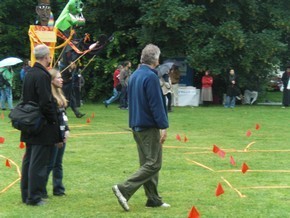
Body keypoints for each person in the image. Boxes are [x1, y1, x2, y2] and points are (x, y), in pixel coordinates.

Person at [112, 44, 170, 211]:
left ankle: (153, 199)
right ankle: (124, 189)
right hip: (148, 126)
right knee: (154, 164)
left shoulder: (136, 74)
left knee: (147, 162)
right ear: (156, 59)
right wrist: (163, 126)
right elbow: (156, 104)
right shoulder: (151, 77)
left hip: (136, 125)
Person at [20, 44, 60, 206]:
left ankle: (26, 194)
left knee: (29, 160)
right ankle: (34, 197)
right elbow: (45, 102)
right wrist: (53, 120)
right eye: (50, 56)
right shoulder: (42, 76)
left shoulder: (29, 73)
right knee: (38, 163)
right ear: (47, 57)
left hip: (29, 121)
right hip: (40, 124)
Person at [44, 68, 69, 197]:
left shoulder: (60, 94)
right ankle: (41, 189)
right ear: (52, 80)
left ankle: (58, 189)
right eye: (58, 78)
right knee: (50, 163)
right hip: (55, 136)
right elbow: (54, 120)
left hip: (62, 134)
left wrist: (67, 130)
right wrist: (58, 137)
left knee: (58, 163)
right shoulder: (50, 98)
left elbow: (63, 116)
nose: (61, 79)